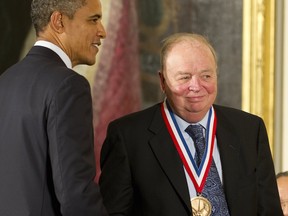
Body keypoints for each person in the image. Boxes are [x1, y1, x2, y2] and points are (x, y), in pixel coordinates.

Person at [99, 33, 283, 216]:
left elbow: (268, 210)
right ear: (163, 81)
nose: (196, 86)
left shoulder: (250, 129)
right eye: (184, 77)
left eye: (206, 76)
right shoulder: (127, 136)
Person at [0, 0, 107, 215]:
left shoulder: (6, 80)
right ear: (59, 22)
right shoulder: (68, 85)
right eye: (93, 19)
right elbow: (76, 195)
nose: (102, 31)